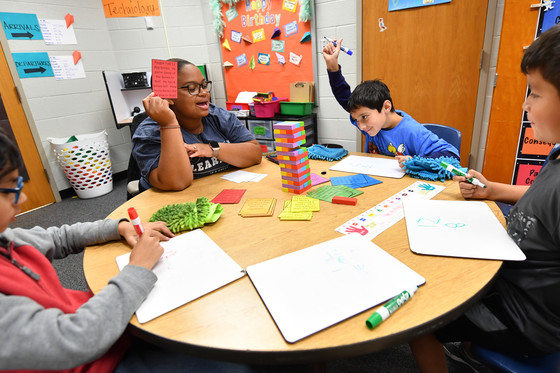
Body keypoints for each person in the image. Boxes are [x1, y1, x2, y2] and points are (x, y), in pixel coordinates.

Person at [0, 131, 254, 372]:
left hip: (106, 330)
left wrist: (119, 227)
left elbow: (61, 236)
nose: (21, 199)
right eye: (9, 188)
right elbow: (75, 339)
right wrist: (138, 269)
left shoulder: (7, 238)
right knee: (231, 363)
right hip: (94, 359)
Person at [409, 24, 560, 373]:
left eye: (535, 93)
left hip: (525, 316)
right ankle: (470, 347)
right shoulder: (556, 155)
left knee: (419, 319)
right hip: (511, 282)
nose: (525, 104)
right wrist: (493, 190)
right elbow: (540, 199)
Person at [322, 39, 460, 167]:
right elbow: (345, 98)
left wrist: (417, 162)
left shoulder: (412, 131)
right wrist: (332, 66)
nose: (361, 126)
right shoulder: (372, 123)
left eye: (364, 117)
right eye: (357, 120)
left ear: (386, 106)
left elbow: (451, 155)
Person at [133, 58, 262, 192]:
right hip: (171, 206)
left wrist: (212, 150)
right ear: (167, 97)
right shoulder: (149, 132)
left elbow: (255, 154)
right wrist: (168, 124)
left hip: (213, 192)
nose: (204, 92)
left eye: (204, 85)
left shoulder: (218, 116)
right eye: (192, 88)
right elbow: (177, 183)